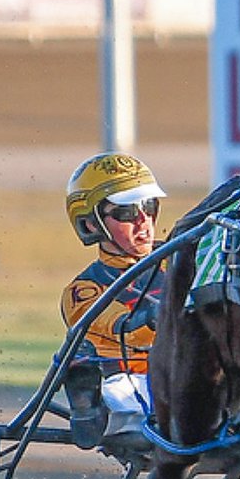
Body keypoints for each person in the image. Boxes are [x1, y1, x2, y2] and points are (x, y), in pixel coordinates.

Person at [60, 152, 166, 450]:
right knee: (120, 390)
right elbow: (129, 330)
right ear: (92, 225)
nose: (144, 221)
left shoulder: (181, 259)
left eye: (149, 206)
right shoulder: (83, 291)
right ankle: (88, 405)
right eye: (127, 213)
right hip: (129, 382)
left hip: (189, 370)